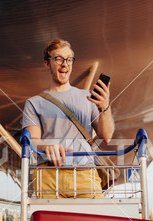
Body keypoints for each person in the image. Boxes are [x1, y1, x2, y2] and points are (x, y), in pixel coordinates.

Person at [22, 39, 115, 198]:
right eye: (58, 59)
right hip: (48, 176)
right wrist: (47, 146)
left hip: (85, 174)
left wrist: (105, 108)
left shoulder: (87, 98)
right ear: (47, 64)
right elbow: (33, 139)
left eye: (69, 59)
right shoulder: (34, 103)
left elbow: (106, 136)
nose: (64, 64)